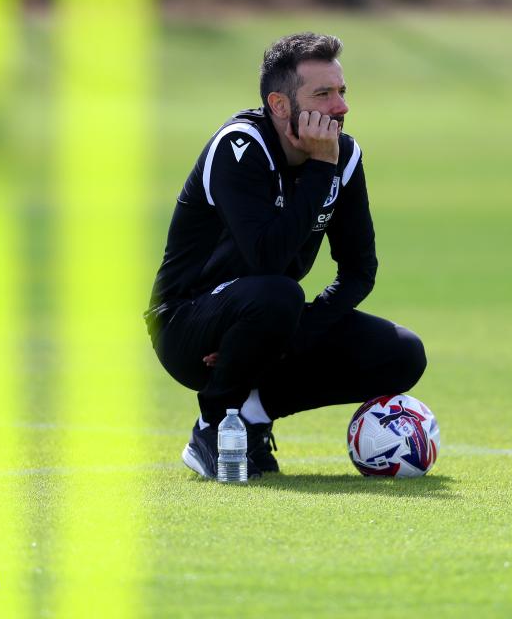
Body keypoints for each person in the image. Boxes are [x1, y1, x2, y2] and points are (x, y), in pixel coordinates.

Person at [144, 32, 427, 479]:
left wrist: (299, 335)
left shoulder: (344, 157)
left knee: (403, 354)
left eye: (342, 92)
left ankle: (252, 418)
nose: (341, 107)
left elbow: (359, 269)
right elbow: (266, 258)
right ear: (279, 105)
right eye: (323, 94)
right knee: (277, 294)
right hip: (186, 324)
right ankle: (212, 427)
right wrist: (319, 168)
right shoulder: (240, 147)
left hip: (270, 319)